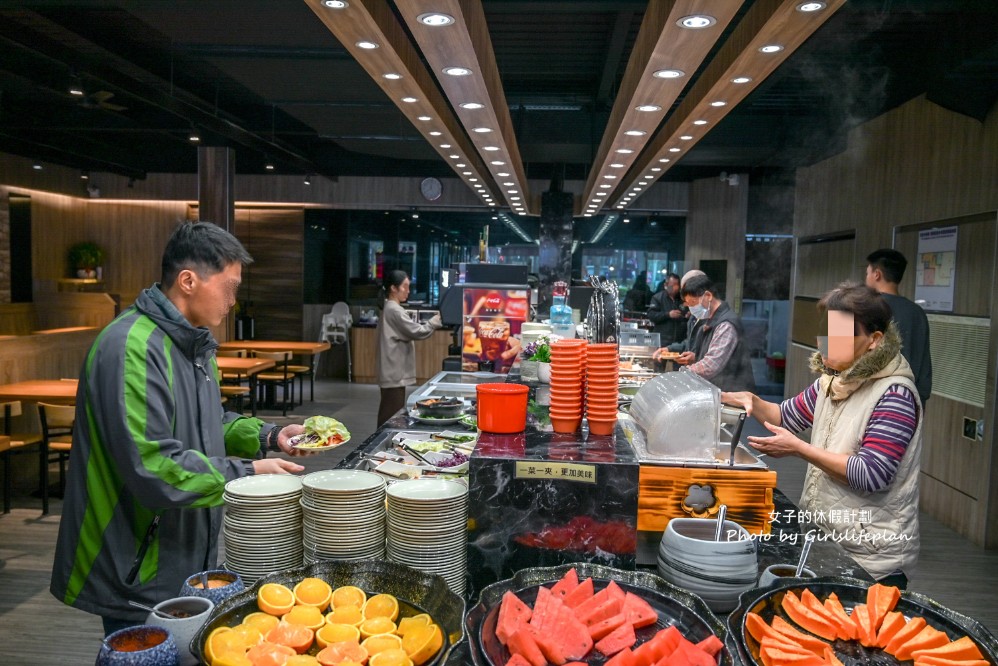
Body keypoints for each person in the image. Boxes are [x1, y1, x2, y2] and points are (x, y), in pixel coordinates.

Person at [51, 222, 306, 636]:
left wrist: (267, 437)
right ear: (188, 281)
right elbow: (152, 465)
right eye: (230, 287)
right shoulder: (132, 346)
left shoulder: (192, 345)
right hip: (133, 562)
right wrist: (247, 475)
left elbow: (207, 422)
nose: (234, 301)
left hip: (179, 552)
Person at [722, 283, 922, 587]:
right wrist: (753, 400)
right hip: (828, 538)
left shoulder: (894, 394)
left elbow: (871, 473)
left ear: (874, 340)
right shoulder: (833, 380)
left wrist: (800, 449)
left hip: (872, 557)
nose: (829, 343)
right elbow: (787, 416)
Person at [866, 249, 932, 404]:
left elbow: (831, 356)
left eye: (867, 273)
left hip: (866, 402)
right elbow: (924, 369)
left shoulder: (861, 306)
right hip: (907, 402)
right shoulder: (918, 313)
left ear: (877, 274)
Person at [376, 270, 442, 425]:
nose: (408, 291)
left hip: (391, 371)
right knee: (391, 416)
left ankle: (382, 444)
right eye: (405, 286)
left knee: (390, 411)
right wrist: (435, 321)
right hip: (394, 372)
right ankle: (378, 446)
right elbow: (418, 332)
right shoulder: (394, 310)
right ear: (393, 288)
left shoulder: (389, 307)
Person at [670, 273, 755, 392]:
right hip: (719, 393)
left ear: (708, 296)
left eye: (693, 303)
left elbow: (711, 365)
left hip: (734, 396)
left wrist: (680, 375)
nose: (692, 309)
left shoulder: (726, 324)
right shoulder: (710, 321)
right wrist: (696, 357)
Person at [646, 272, 686, 347]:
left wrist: (686, 315)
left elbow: (686, 314)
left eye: (677, 285)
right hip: (663, 341)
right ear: (666, 285)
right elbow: (651, 315)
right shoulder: (657, 298)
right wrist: (668, 314)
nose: (676, 288)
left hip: (679, 341)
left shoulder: (682, 299)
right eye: (673, 285)